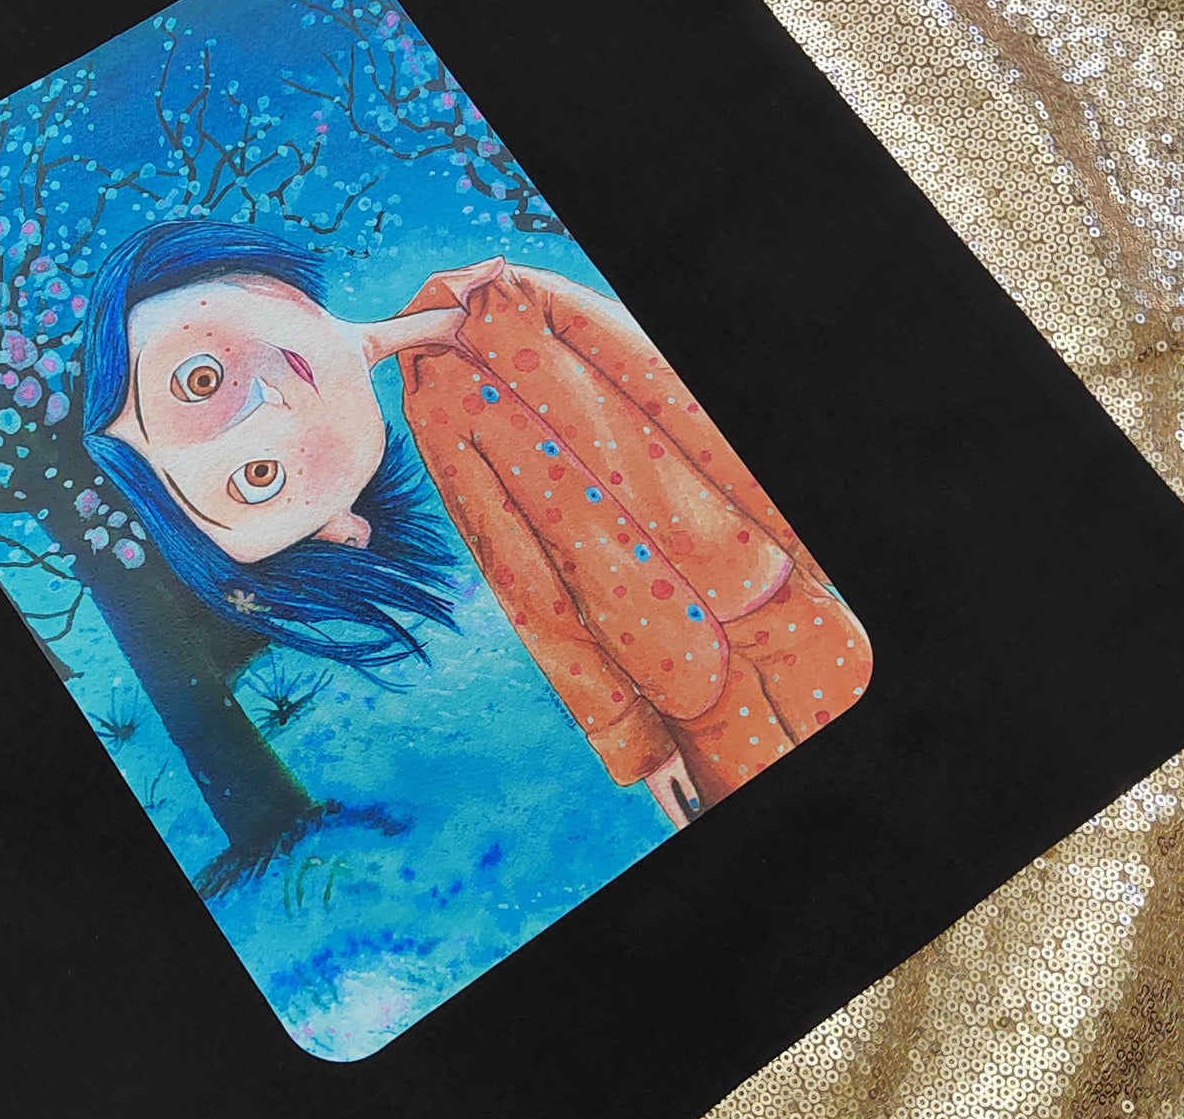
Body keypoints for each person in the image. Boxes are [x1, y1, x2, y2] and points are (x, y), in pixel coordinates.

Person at [80, 220, 871, 828]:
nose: (263, 410)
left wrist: (809, 543)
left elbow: (687, 407)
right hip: (684, 693)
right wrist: (637, 742)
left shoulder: (511, 297)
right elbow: (531, 592)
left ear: (236, 277)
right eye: (259, 477)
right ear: (341, 529)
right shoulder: (433, 410)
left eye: (201, 379)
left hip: (780, 593)